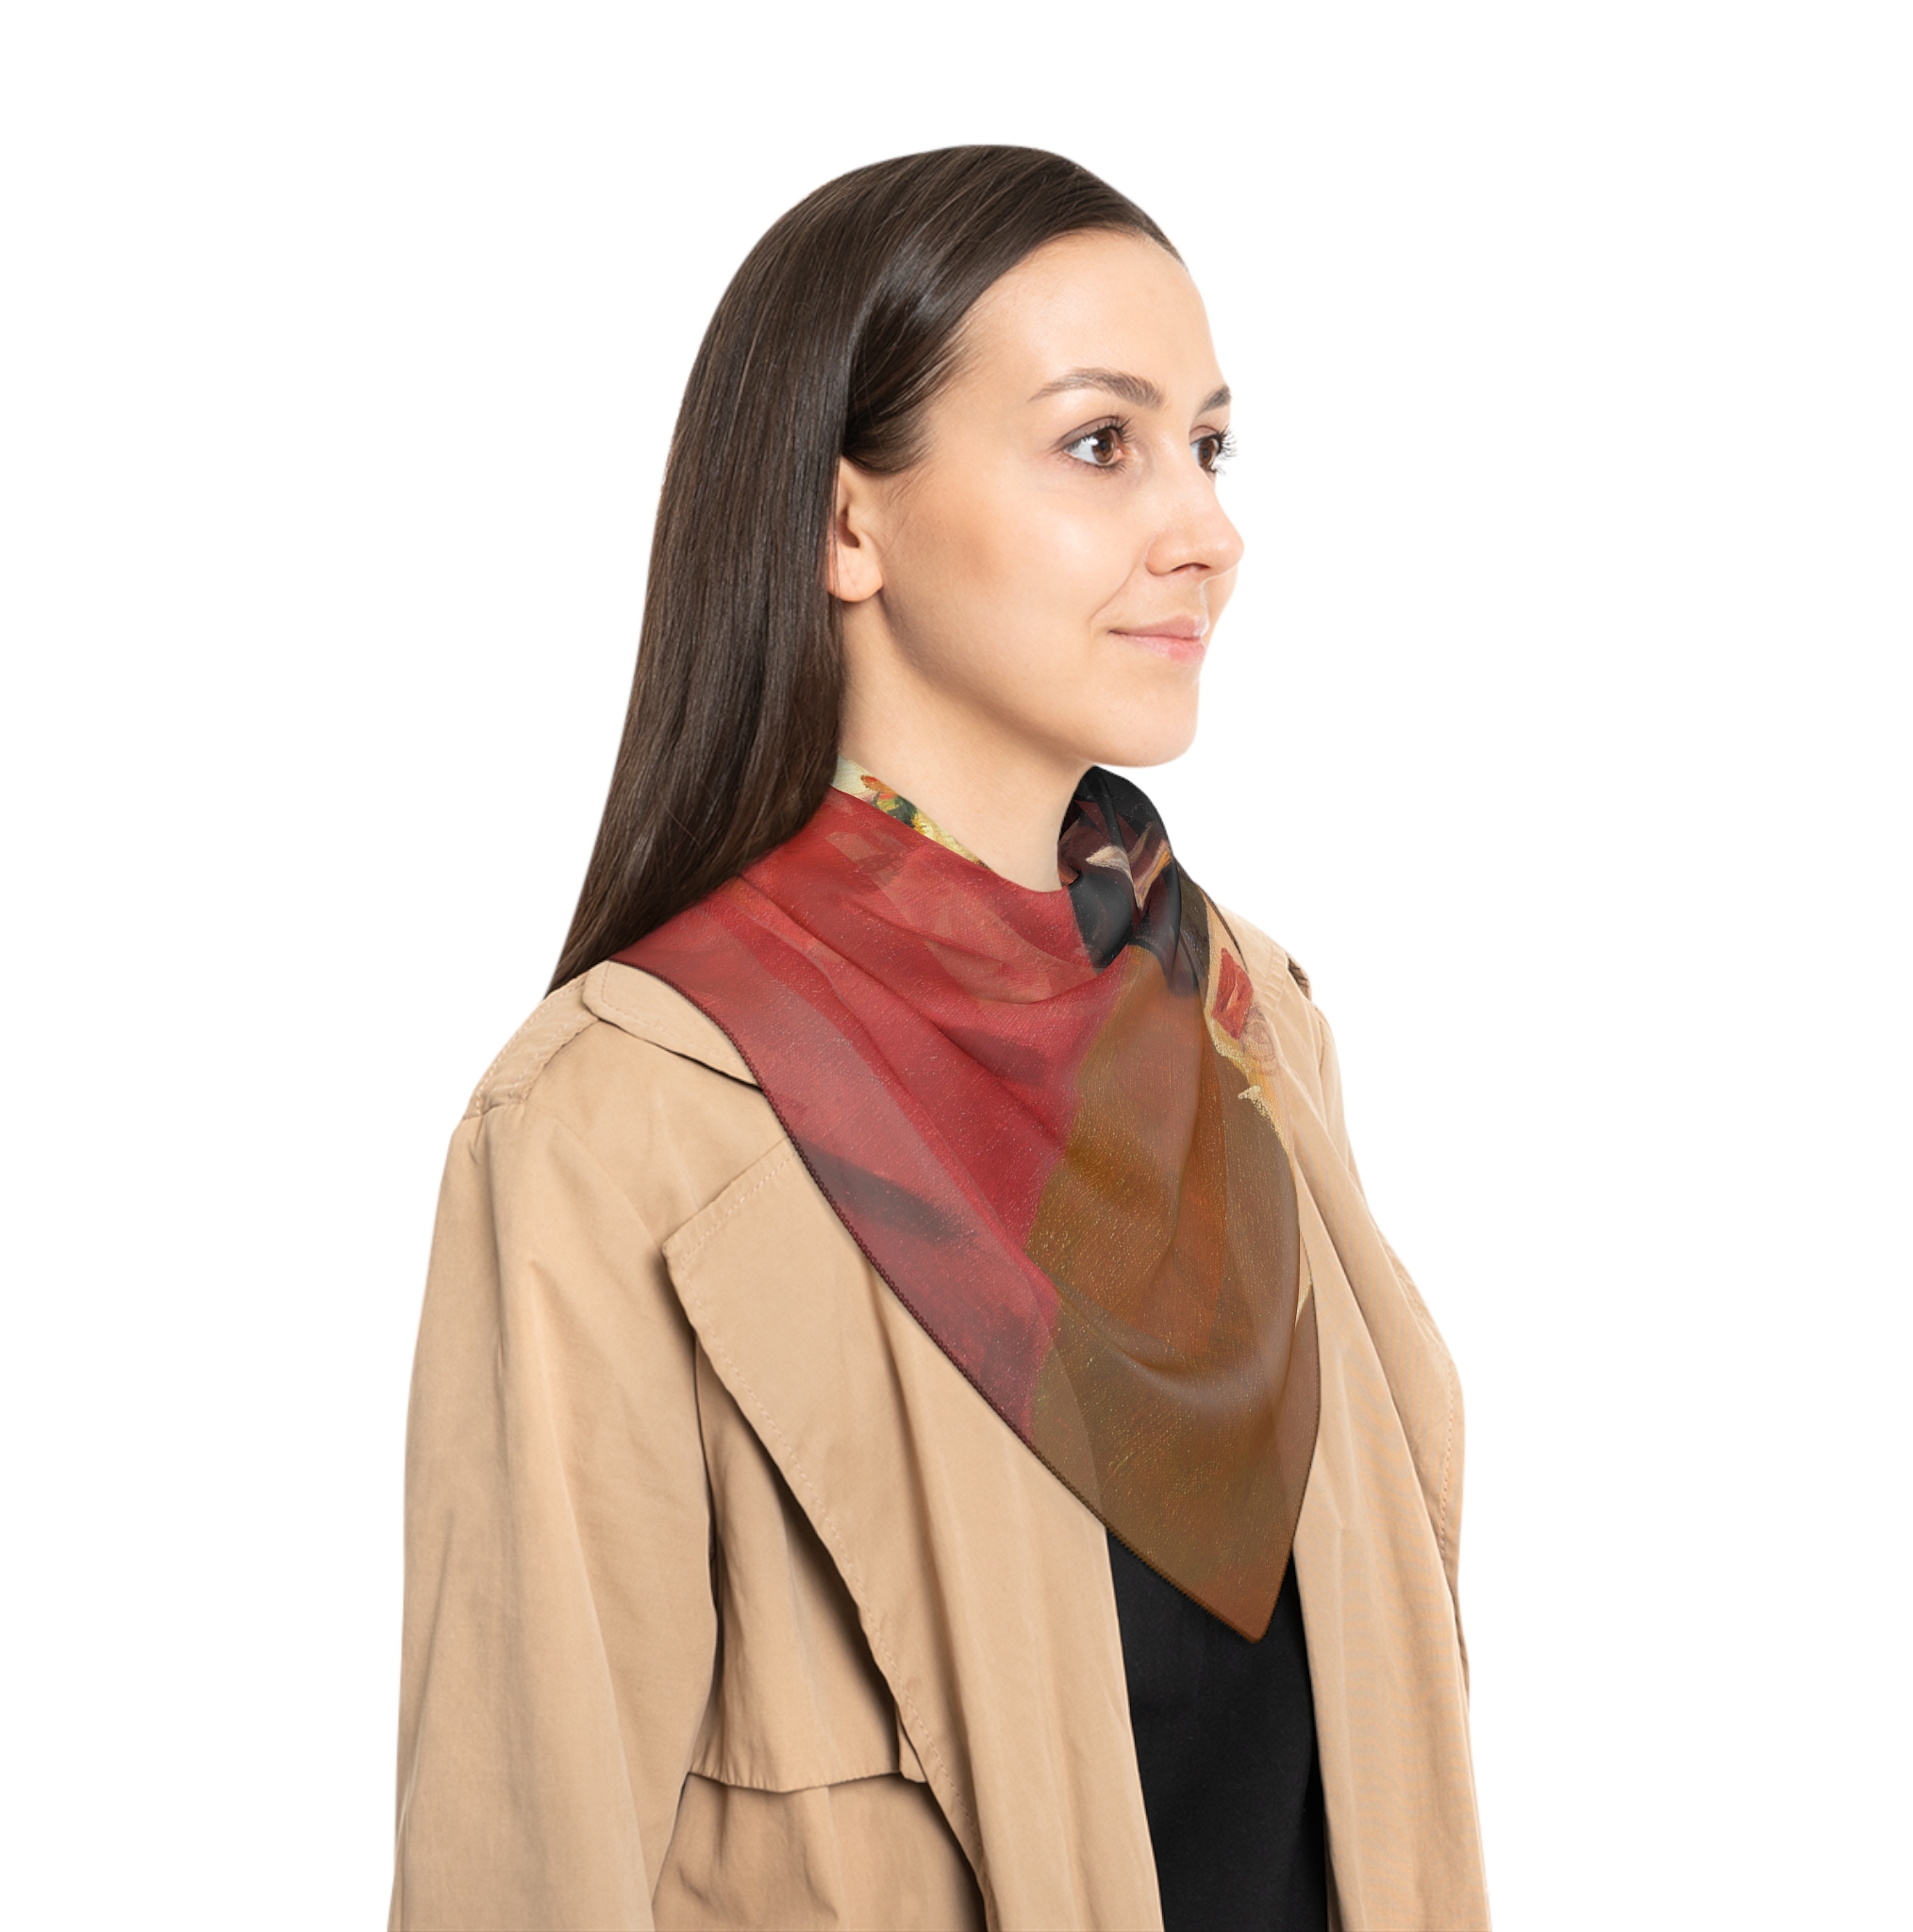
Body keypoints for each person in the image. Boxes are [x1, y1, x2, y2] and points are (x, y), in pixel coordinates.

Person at [391, 145, 1489, 1932]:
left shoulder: (1243, 1024)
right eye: (1099, 442)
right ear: (848, 527)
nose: (1204, 530)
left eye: (1209, 447)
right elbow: (525, 1866)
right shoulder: (628, 1123)